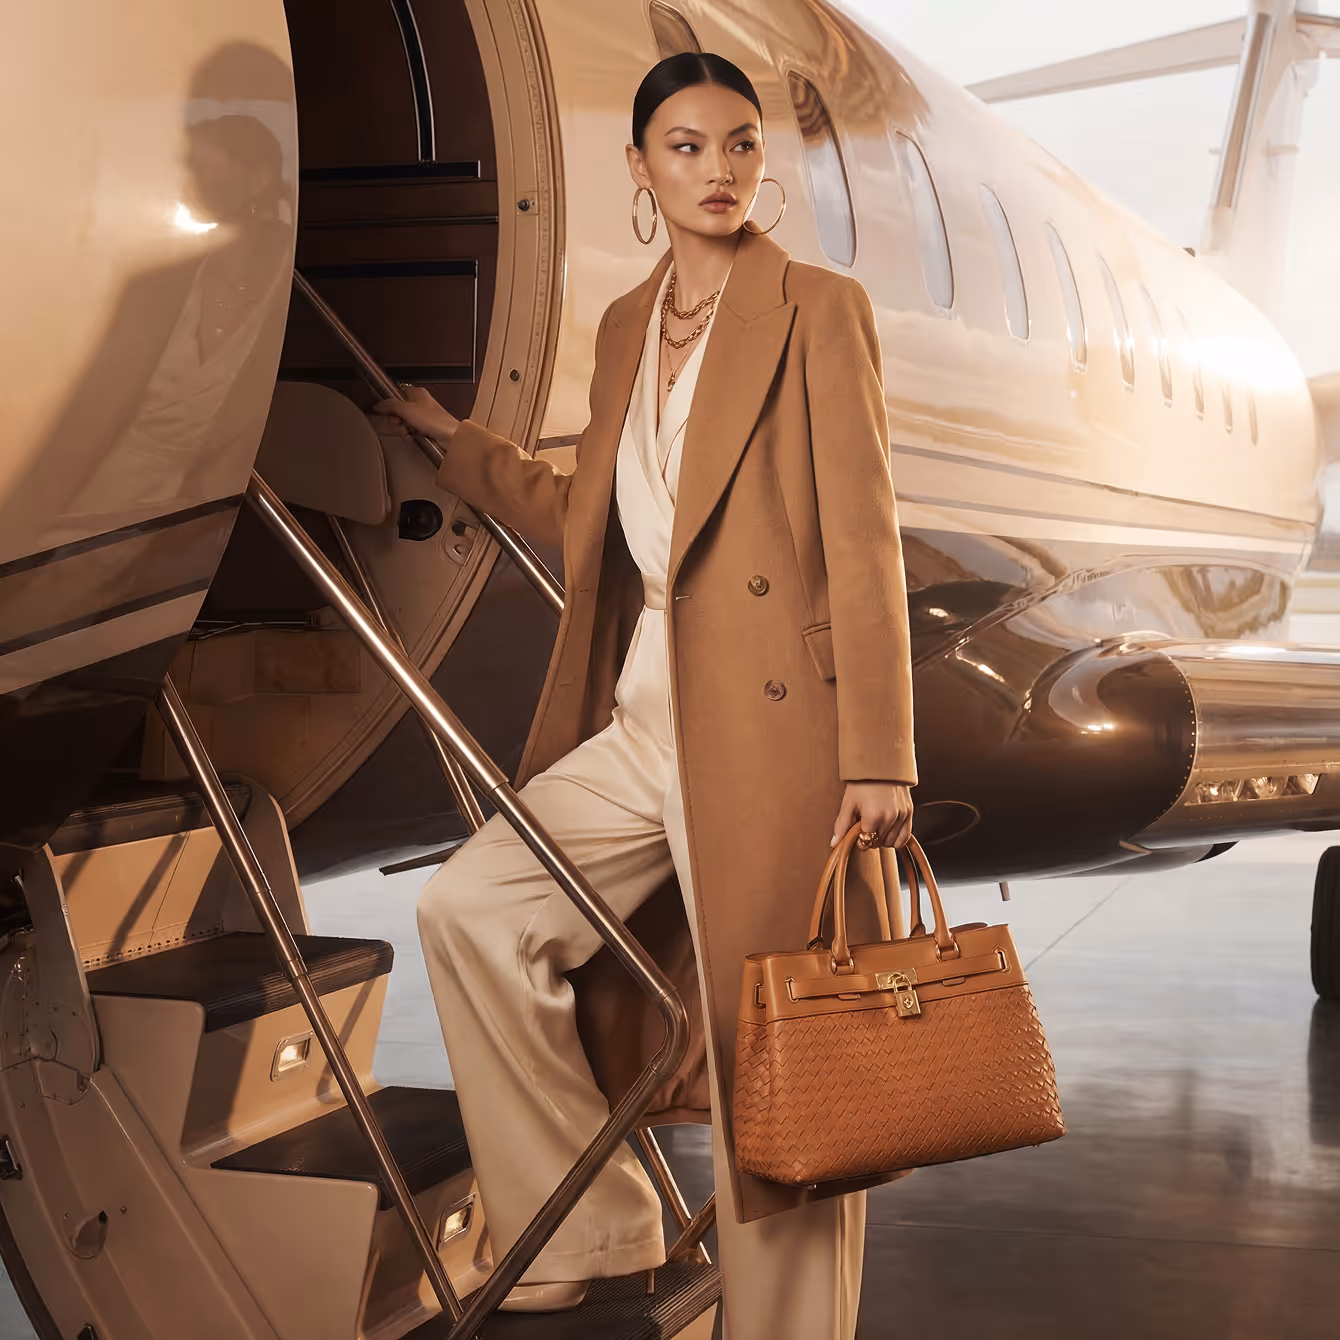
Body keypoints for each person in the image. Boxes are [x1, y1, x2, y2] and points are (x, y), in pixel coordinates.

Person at [374, 51, 916, 1340]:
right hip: (648, 706)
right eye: (686, 147)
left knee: (773, 1062)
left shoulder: (816, 309)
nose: (718, 170)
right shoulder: (627, 325)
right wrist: (457, 448)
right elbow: (588, 517)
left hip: (778, 732)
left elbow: (866, 537)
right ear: (640, 169)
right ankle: (592, 1220)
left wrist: (879, 753)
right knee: (474, 907)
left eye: (739, 146)